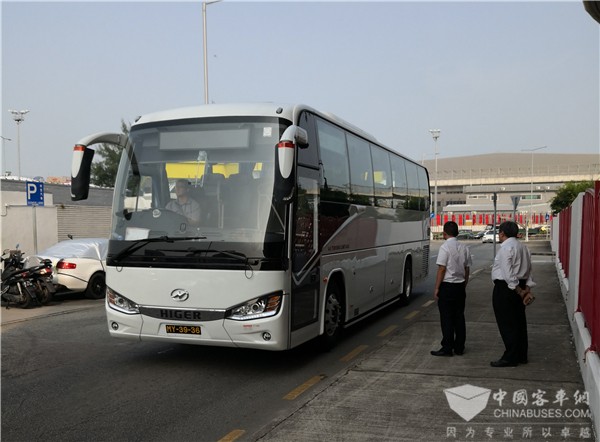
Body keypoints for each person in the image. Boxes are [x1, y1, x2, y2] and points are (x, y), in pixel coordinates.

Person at [490, 220, 536, 367]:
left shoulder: (505, 248)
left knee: (507, 323)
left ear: (502, 233)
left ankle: (510, 357)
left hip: (507, 288)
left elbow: (508, 273)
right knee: (519, 322)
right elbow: (529, 270)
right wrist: (526, 289)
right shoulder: (524, 247)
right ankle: (521, 354)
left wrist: (519, 291)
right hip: (520, 285)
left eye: (499, 232)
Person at [431, 221, 472, 357]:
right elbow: (467, 269)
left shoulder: (445, 247)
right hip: (460, 286)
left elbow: (442, 269)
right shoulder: (464, 247)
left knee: (447, 318)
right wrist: (464, 284)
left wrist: (437, 288)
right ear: (457, 233)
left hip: (447, 286)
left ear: (444, 233)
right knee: (459, 317)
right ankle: (460, 347)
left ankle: (447, 347)